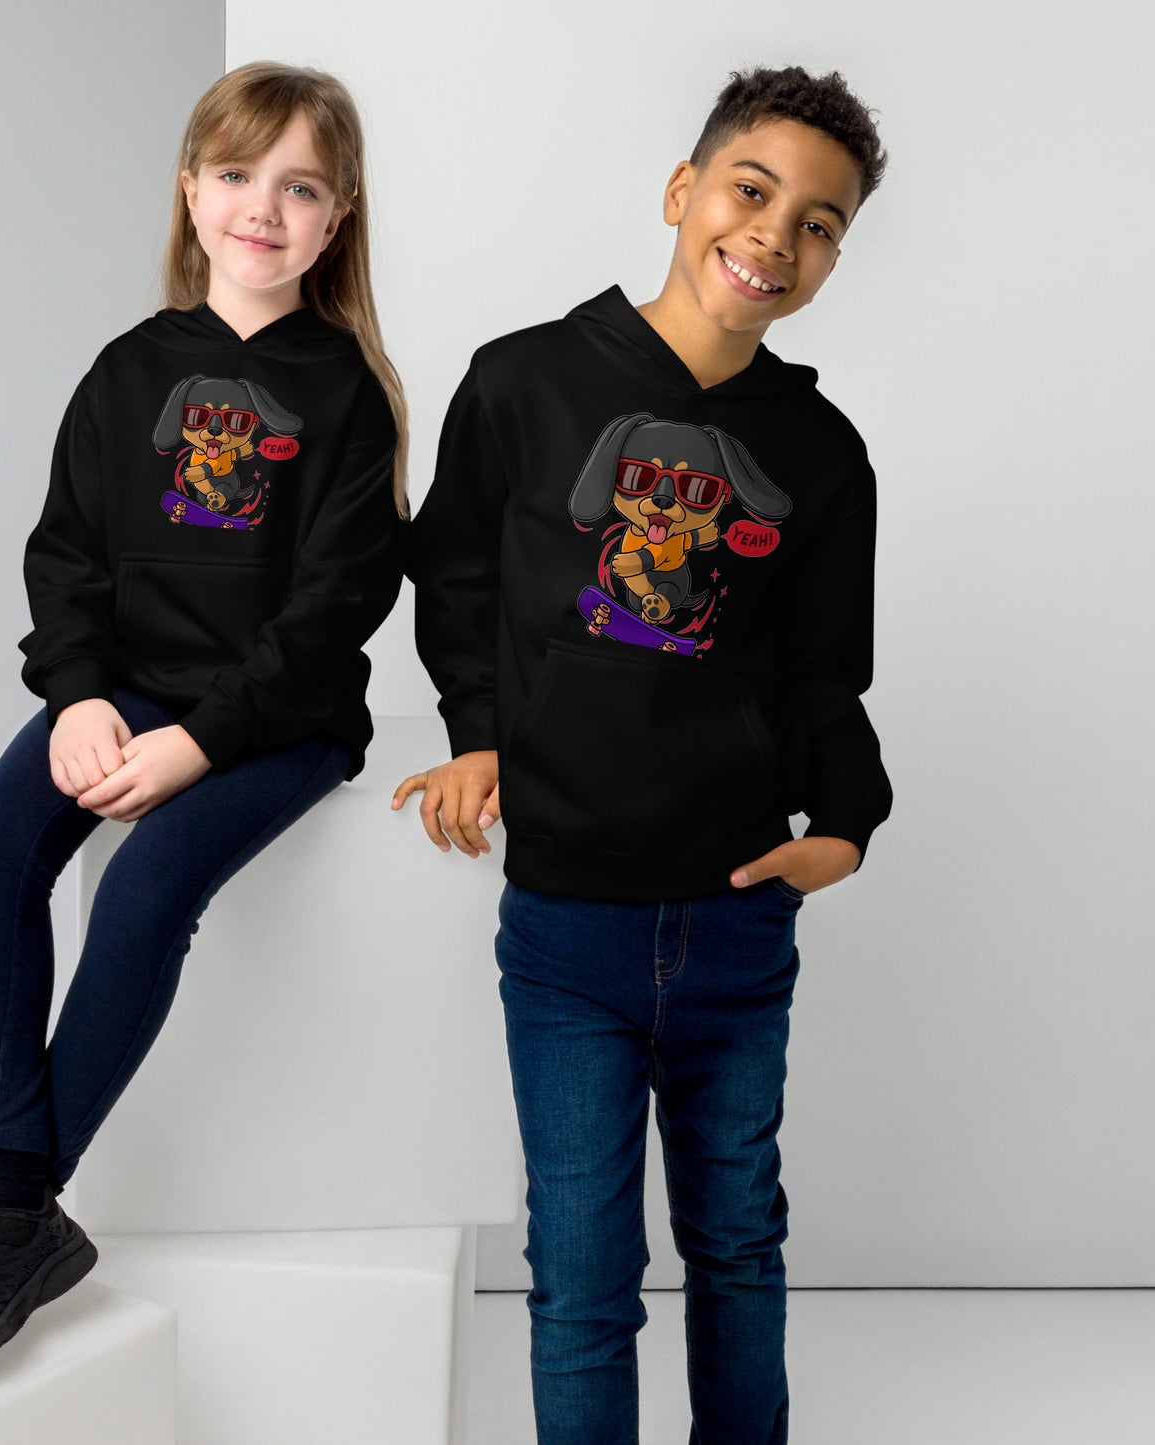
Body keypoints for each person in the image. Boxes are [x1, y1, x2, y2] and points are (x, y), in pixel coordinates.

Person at [0, 60, 407, 1381]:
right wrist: (82, 692)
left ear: (337, 217)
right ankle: (8, 1202)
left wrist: (203, 740)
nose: (262, 207)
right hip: (129, 684)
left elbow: (336, 607)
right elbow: (66, 554)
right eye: (237, 174)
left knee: (147, 883)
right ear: (191, 190)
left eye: (300, 187)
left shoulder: (348, 392)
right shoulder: (128, 369)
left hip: (282, 714)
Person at [394, 66, 893, 1444]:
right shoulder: (523, 380)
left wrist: (846, 823)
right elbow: (452, 575)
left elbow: (823, 668)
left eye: (819, 224)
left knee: (736, 1245)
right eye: (752, 191)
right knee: (582, 1275)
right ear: (683, 193)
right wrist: (475, 734)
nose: (776, 236)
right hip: (566, 925)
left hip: (735, 916)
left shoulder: (820, 452)